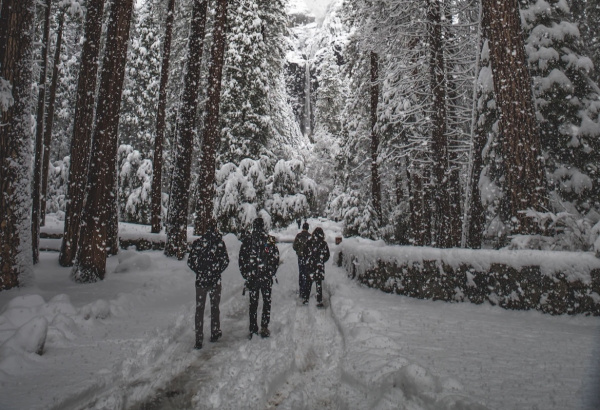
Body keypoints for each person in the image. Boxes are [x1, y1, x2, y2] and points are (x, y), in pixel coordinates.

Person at [187, 219, 229, 350]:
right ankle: (214, 331)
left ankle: (199, 337)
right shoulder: (219, 243)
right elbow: (225, 261)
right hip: (214, 281)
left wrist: (199, 271)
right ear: (215, 228)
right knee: (214, 307)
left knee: (199, 309)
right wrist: (217, 271)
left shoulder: (199, 243)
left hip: (201, 281)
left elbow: (190, 261)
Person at [239, 218, 280, 339]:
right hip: (266, 277)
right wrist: (271, 272)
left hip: (253, 278)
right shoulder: (269, 239)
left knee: (253, 304)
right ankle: (264, 326)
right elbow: (275, 257)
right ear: (263, 226)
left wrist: (246, 274)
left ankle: (253, 328)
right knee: (267, 302)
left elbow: (242, 259)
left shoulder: (248, 240)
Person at [304, 227, 330, 307]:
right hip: (319, 266)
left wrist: (308, 260)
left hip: (310, 265)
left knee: (308, 282)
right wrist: (321, 260)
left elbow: (305, 253)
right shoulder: (323, 244)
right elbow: (327, 255)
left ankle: (306, 299)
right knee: (318, 283)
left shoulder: (309, 242)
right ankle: (319, 300)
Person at [293, 222, 311, 296]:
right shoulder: (310, 237)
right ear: (308, 228)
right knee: (307, 273)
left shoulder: (299, 236)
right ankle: (306, 289)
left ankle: (301, 289)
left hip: (300, 256)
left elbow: (294, 246)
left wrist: (299, 250)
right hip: (308, 257)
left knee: (301, 272)